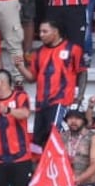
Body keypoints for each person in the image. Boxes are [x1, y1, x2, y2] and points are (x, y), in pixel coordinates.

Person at [23, 19, 85, 148]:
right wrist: (19, 66)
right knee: (37, 142)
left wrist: (79, 96)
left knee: (56, 137)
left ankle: (64, 165)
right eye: (40, 31)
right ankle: (40, 168)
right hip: (41, 103)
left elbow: (82, 72)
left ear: (56, 32)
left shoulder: (73, 49)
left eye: (45, 31)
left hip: (60, 101)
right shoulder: (38, 52)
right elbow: (31, 78)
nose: (41, 35)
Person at [59, 107, 95, 186]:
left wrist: (77, 180)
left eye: (77, 118)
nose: (73, 121)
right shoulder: (61, 137)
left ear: (84, 120)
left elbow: (94, 164)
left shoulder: (93, 137)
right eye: (70, 118)